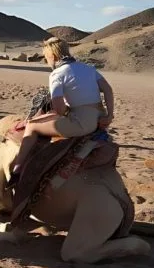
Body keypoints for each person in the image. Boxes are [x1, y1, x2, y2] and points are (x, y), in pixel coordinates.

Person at [10, 37, 114, 174]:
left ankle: (18, 169)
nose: (47, 62)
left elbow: (59, 109)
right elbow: (107, 89)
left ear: (52, 56)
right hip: (99, 119)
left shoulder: (57, 74)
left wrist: (62, 112)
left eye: (46, 58)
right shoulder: (88, 68)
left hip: (82, 124)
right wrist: (109, 115)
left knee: (31, 126)